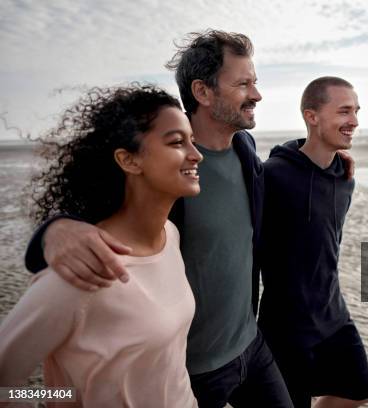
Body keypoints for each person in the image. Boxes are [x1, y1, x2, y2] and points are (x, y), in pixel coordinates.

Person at [23, 30, 294, 407]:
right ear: (203, 92)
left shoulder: (246, 150)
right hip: (192, 370)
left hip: (251, 345)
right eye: (243, 83)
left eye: (256, 82)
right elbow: (94, 204)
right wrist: (55, 229)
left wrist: (321, 153)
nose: (257, 94)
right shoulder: (160, 166)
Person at [0, 84, 202, 407]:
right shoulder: (81, 273)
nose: (196, 154)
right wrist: (63, 398)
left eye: (192, 140)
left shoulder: (170, 234)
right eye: (177, 142)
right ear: (129, 160)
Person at [259, 77, 368, 408]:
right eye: (344, 111)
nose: (354, 121)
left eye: (356, 112)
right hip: (286, 329)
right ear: (312, 116)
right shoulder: (273, 176)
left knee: (357, 390)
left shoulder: (345, 176)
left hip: (334, 316)